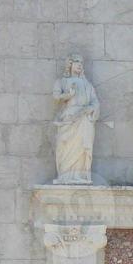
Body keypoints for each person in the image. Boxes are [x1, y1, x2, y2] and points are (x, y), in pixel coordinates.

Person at [53, 54, 99, 184]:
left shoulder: (87, 84)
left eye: (81, 63)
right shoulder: (61, 82)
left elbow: (95, 102)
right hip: (69, 119)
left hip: (84, 119)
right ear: (70, 65)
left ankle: (80, 175)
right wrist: (69, 94)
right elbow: (56, 97)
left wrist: (90, 109)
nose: (79, 65)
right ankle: (66, 175)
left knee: (82, 146)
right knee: (67, 146)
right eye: (76, 62)